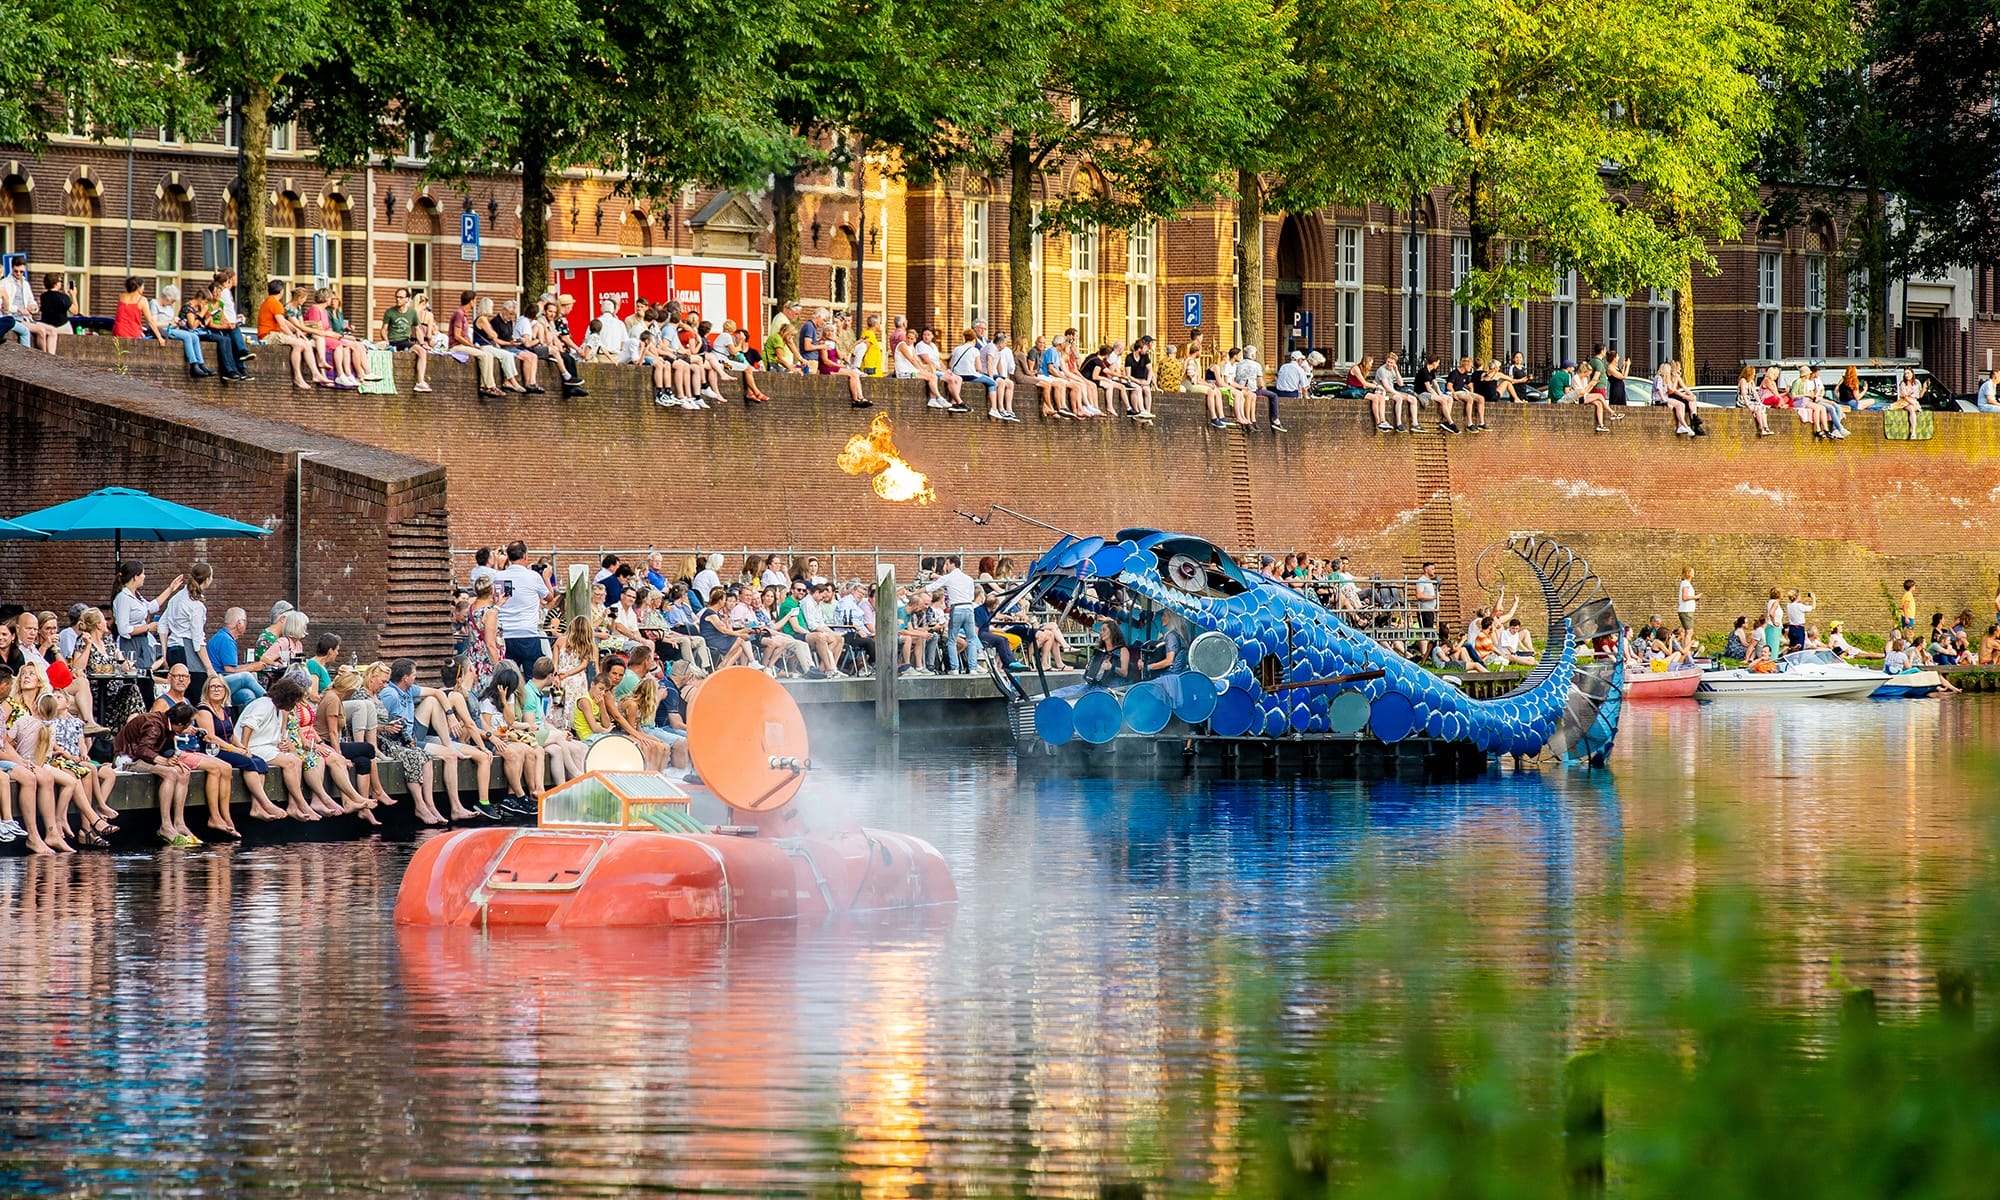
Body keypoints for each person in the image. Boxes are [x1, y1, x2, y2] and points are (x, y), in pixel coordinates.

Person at [117, 702, 201, 847]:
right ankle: (166, 825)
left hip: (144, 758)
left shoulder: (166, 723)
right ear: (180, 723)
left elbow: (162, 747)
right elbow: (142, 750)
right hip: (128, 759)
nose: (187, 728)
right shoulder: (154, 725)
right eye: (187, 725)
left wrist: (173, 759)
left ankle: (179, 822)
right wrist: (165, 761)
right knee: (170, 773)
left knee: (183, 771)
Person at [111, 562, 186, 675]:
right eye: (142, 574)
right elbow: (124, 629)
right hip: (131, 644)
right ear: (135, 577)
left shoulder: (137, 595)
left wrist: (170, 589)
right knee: (136, 674)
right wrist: (148, 627)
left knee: (146, 674)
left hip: (142, 642)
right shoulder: (123, 598)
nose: (144, 576)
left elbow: (152, 607)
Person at [935, 556, 980, 674]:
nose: (946, 567)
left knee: (952, 639)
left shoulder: (949, 577)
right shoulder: (969, 579)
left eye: (947, 564)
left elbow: (932, 586)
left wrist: (914, 592)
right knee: (972, 639)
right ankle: (973, 668)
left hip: (957, 607)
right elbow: (971, 596)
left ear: (951, 564)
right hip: (969, 608)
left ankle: (954, 668)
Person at [1677, 566, 1703, 638]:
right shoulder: (1685, 583)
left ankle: (1684, 648)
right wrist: (1696, 597)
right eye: (1692, 571)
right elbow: (1684, 597)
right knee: (1689, 632)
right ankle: (1686, 649)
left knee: (1686, 632)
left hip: (1686, 610)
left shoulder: (1685, 583)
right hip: (1686, 611)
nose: (1694, 573)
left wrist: (1694, 599)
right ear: (1688, 573)